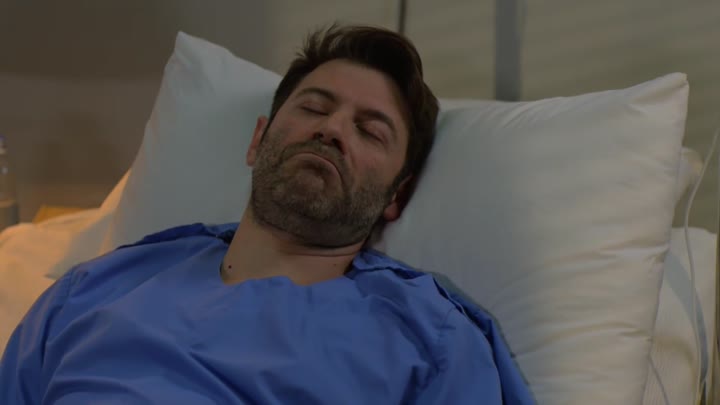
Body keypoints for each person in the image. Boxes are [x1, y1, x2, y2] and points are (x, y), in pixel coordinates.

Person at [0, 24, 534, 404]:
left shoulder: (429, 338)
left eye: (370, 131)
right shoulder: (96, 287)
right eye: (314, 107)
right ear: (258, 141)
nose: (331, 129)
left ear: (397, 195)